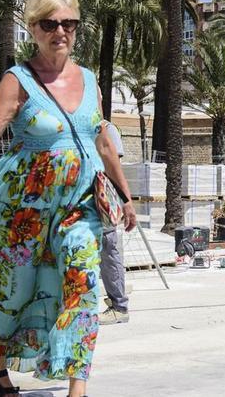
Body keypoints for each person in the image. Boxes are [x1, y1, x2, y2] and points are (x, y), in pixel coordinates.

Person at [0, 0, 137, 397]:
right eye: (49, 24)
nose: (60, 32)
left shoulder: (89, 79)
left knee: (82, 285)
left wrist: (125, 195)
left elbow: (102, 141)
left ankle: (77, 390)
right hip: (23, 210)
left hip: (80, 206)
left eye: (68, 23)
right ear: (33, 29)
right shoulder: (19, 80)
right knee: (15, 291)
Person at [98, 120, 130, 325]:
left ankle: (119, 305)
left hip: (102, 196)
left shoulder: (107, 129)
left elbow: (113, 165)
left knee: (109, 249)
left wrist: (125, 201)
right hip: (80, 195)